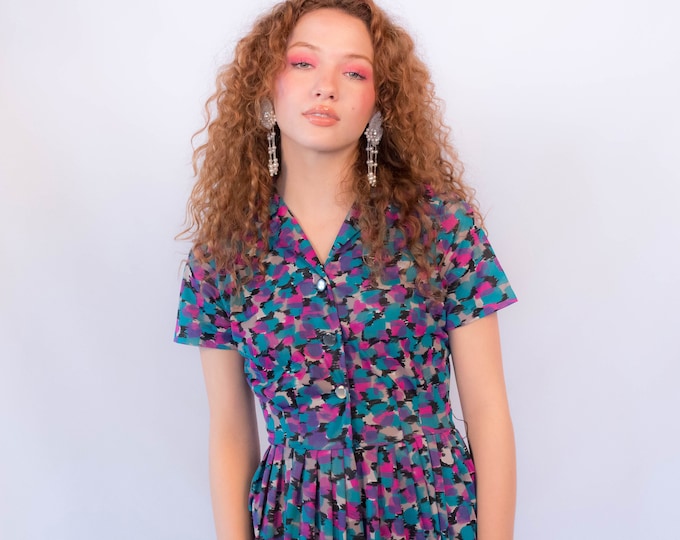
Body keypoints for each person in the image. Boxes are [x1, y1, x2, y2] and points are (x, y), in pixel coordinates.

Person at [174, 1, 517, 538]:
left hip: (431, 517)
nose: (326, 87)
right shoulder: (222, 257)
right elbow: (231, 435)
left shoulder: (441, 227)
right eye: (302, 63)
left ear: (380, 103)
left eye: (354, 72)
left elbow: (488, 410)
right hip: (295, 522)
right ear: (265, 87)